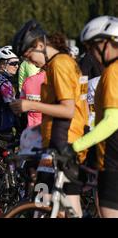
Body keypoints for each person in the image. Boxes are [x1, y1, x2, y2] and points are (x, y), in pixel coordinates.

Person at [10, 19, 89, 217]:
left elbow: (68, 109)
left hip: (65, 141)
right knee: (66, 204)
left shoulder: (60, 65)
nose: (29, 62)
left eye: (29, 56)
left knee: (43, 201)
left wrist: (29, 105)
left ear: (40, 45)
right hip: (59, 140)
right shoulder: (58, 63)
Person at [65, 16, 118, 218]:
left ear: (109, 42)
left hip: (113, 160)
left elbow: (113, 120)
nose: (92, 53)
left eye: (94, 46)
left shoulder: (113, 72)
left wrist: (76, 146)